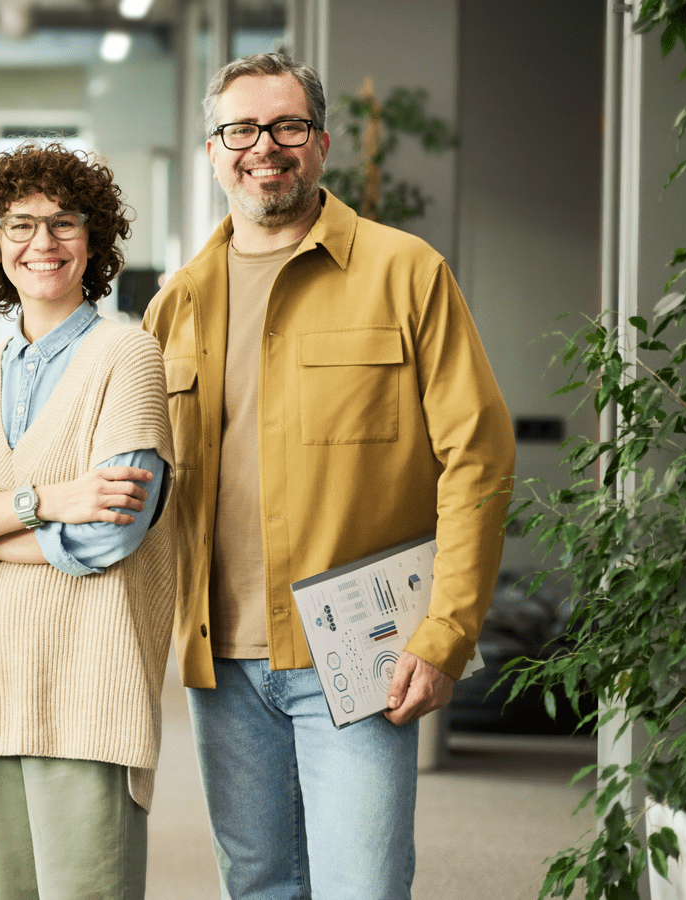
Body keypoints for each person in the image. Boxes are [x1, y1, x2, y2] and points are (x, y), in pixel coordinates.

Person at [141, 53, 516, 898]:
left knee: (363, 887)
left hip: (357, 653)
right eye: (241, 128)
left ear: (323, 142)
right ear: (213, 150)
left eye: (288, 126)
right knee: (262, 886)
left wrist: (446, 629)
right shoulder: (177, 302)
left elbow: (478, 459)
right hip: (220, 659)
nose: (264, 147)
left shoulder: (403, 270)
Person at [0, 141, 175, 900]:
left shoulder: (129, 356)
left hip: (87, 687)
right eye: (20, 225)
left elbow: (110, 532)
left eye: (63, 222)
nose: (42, 243)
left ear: (94, 240)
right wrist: (41, 502)